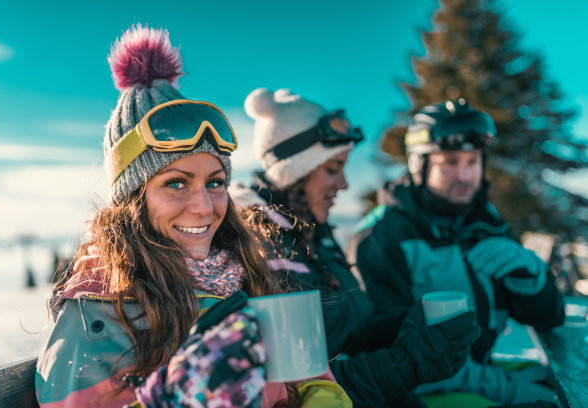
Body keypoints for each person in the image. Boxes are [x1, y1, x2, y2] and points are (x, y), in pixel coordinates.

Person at [34, 25, 350, 408]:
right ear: (134, 198)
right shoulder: (99, 311)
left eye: (215, 182)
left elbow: (318, 383)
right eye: (176, 184)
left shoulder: (251, 272)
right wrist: (169, 400)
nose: (204, 206)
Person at [229, 88, 482, 408]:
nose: (345, 184)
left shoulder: (310, 235)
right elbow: (301, 390)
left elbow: (352, 332)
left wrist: (406, 326)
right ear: (296, 172)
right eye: (333, 169)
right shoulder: (263, 250)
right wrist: (406, 362)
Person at [352, 98, 565, 405]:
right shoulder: (382, 236)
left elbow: (550, 317)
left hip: (478, 372)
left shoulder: (485, 223)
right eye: (450, 162)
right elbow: (386, 352)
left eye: (472, 161)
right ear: (419, 165)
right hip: (418, 392)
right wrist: (507, 389)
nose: (465, 176)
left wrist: (532, 276)